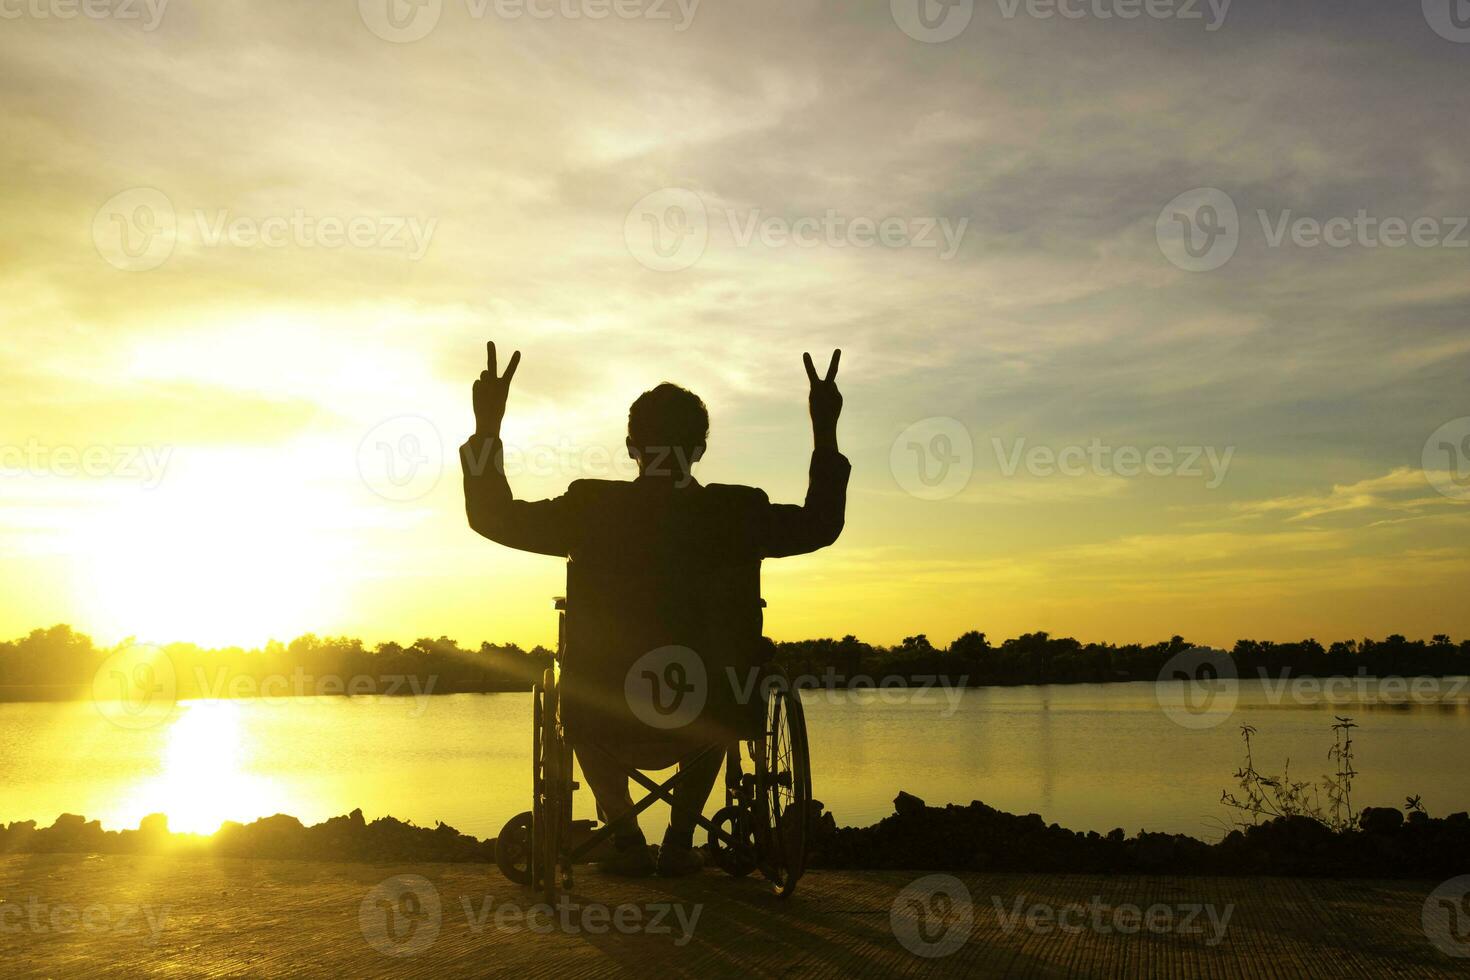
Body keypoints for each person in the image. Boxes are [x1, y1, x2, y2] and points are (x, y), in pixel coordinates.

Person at [460, 342, 849, 877]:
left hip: (604, 711)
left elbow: (493, 515)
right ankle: (681, 839)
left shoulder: (591, 508)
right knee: (722, 690)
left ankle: (625, 837)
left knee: (578, 693)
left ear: (630, 447)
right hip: (709, 711)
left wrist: (487, 427)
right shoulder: (738, 512)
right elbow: (821, 523)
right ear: (701, 448)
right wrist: (823, 429)